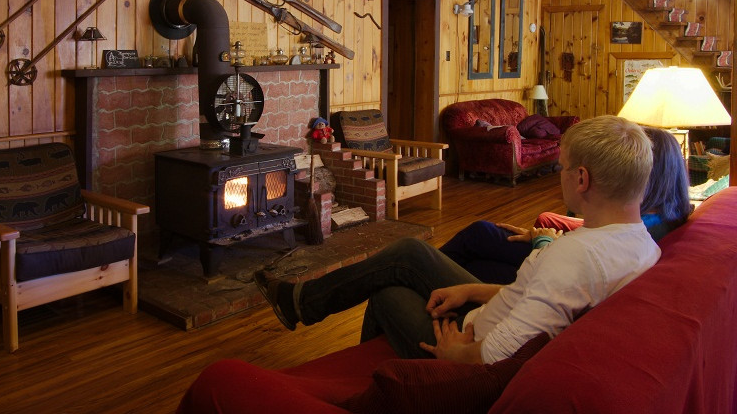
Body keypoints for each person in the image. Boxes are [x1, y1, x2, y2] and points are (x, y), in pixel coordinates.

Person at [255, 115, 660, 365]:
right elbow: (541, 296)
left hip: (468, 344)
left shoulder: (575, 255)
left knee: (388, 290)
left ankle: (379, 381)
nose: (560, 172)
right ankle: (301, 304)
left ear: (583, 179)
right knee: (410, 252)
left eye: (564, 166)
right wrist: (472, 289)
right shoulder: (641, 244)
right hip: (485, 312)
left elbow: (503, 356)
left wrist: (457, 355)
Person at [439, 126, 691, 284]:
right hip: (557, 258)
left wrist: (544, 241)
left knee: (479, 235)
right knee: (477, 261)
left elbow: (588, 257)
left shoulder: (643, 227)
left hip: (558, 268)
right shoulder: (665, 215)